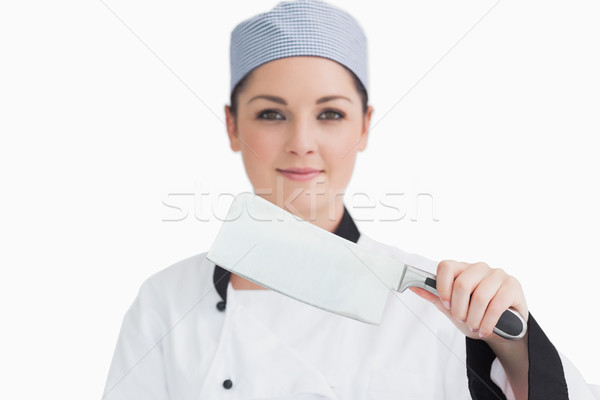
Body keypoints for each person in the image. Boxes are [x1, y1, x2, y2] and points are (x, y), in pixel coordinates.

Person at [102, 1, 599, 399]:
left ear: (365, 125)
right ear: (232, 125)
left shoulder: (437, 305)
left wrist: (512, 351)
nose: (301, 142)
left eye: (331, 114)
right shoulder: (165, 303)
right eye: (272, 114)